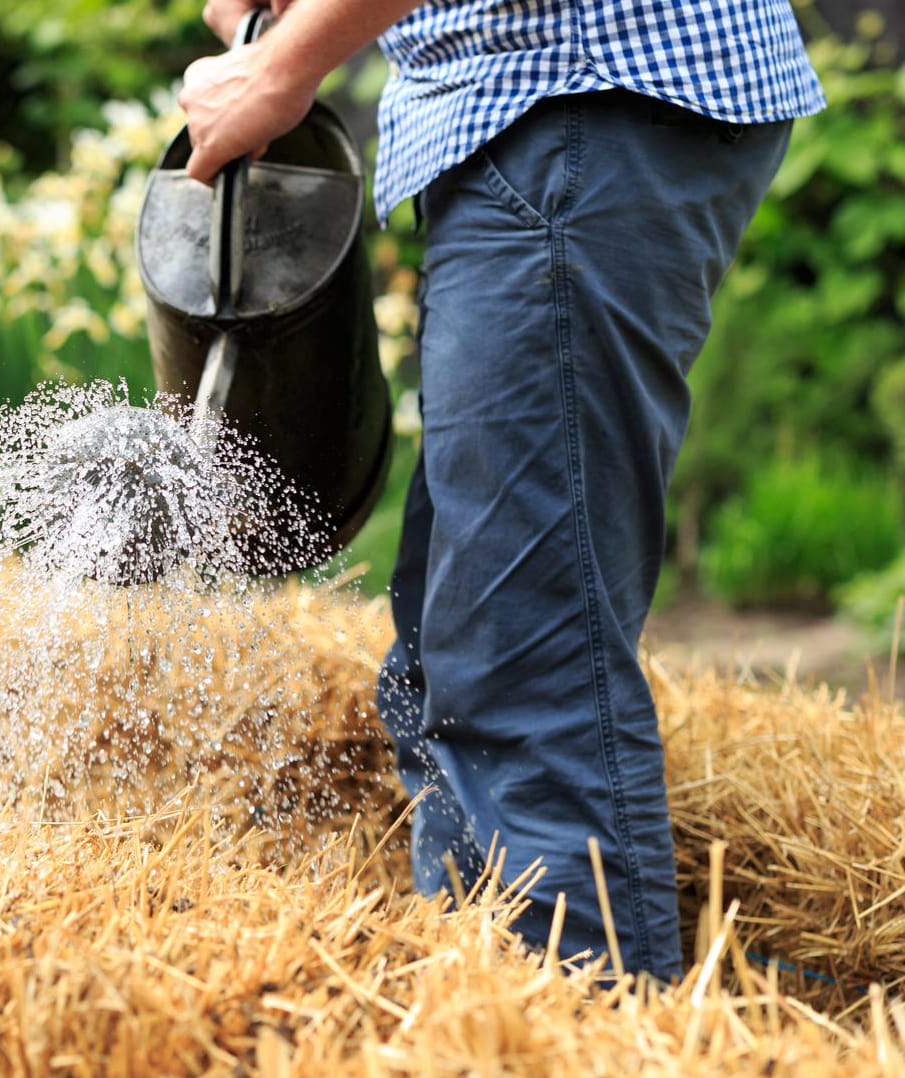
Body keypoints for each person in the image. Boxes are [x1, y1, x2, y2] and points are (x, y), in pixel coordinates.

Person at [179, 0, 824, 981]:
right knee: (453, 645)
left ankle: (574, 1017)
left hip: (572, 93)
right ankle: (484, 992)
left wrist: (283, 69)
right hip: (549, 109)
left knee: (524, 657)